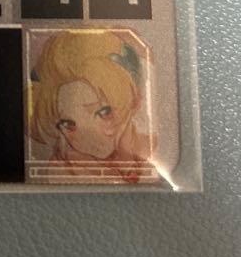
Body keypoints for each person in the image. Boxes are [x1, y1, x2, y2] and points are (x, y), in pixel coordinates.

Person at [29, 30, 151, 182]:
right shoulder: (64, 170)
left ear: (133, 99)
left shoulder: (152, 152)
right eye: (68, 124)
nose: (88, 137)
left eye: (104, 113)